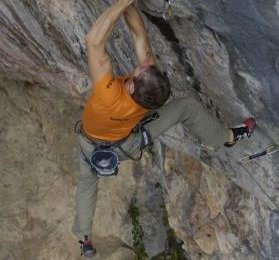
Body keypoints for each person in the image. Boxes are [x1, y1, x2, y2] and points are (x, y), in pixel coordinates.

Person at [72, 0, 256, 258]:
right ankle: (226, 138)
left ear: (133, 86)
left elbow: (93, 40)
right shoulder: (152, 93)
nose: (144, 63)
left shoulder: (107, 94)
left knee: (87, 181)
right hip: (128, 143)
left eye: (142, 69)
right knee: (187, 107)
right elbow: (139, 35)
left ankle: (84, 239)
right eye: (147, 65)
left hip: (92, 145)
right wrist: (128, 6)